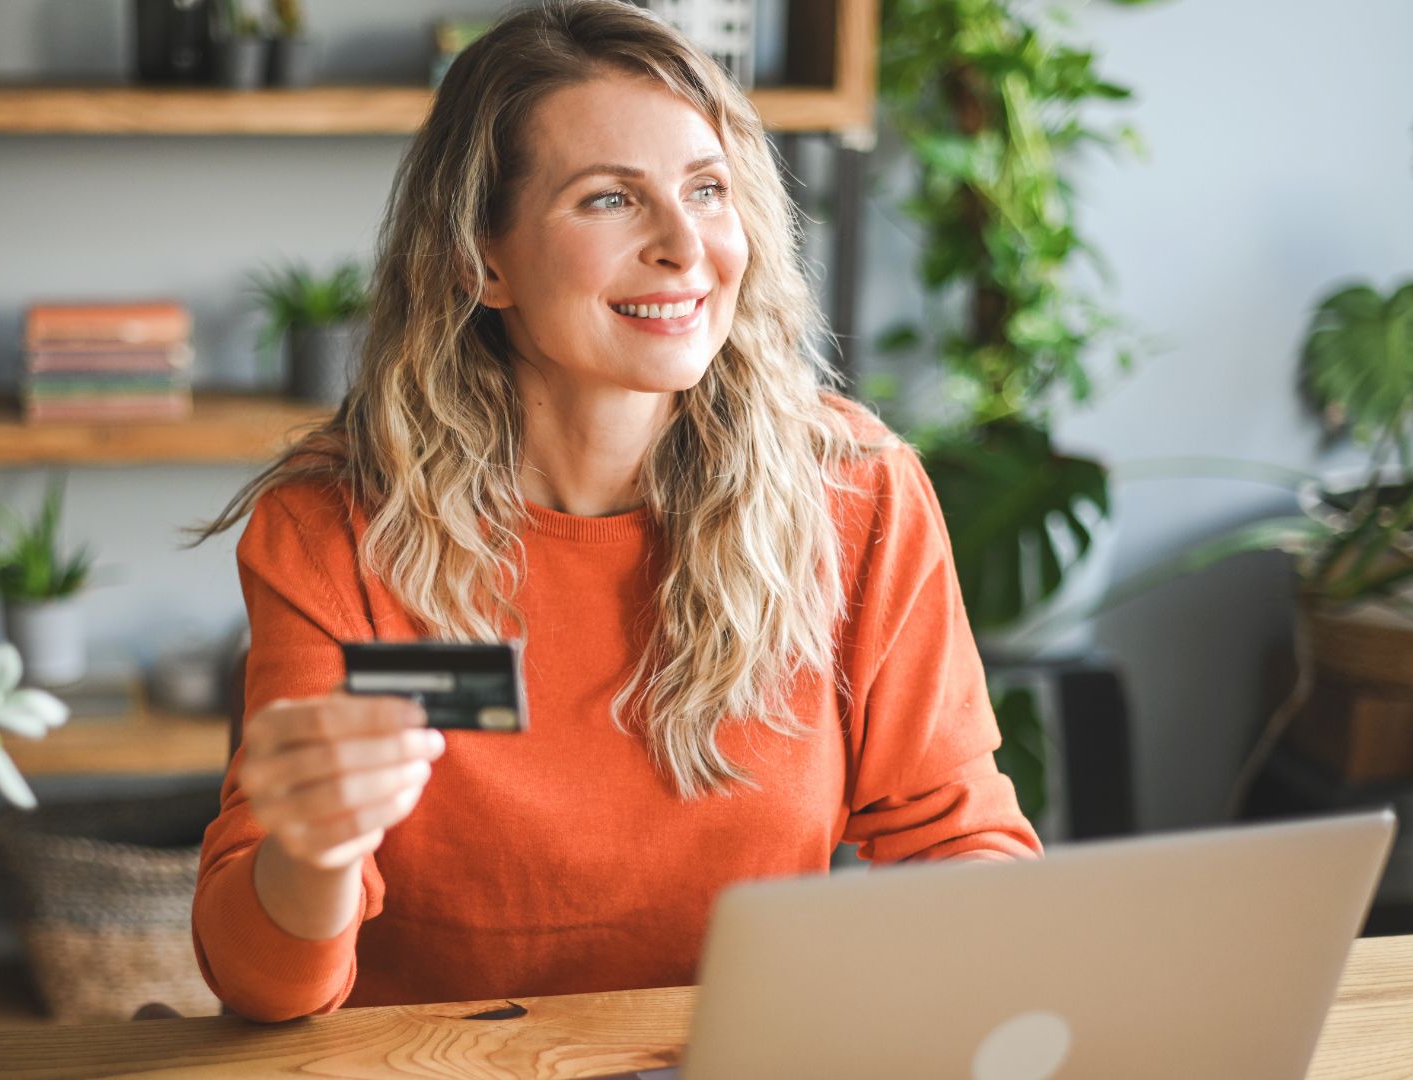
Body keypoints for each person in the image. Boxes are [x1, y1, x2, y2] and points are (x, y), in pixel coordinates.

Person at [187, 0, 1040, 1024]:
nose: (687, 246)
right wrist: (313, 849)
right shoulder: (332, 528)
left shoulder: (855, 491)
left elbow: (958, 839)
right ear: (482, 260)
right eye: (609, 201)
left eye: (709, 190)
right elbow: (264, 987)